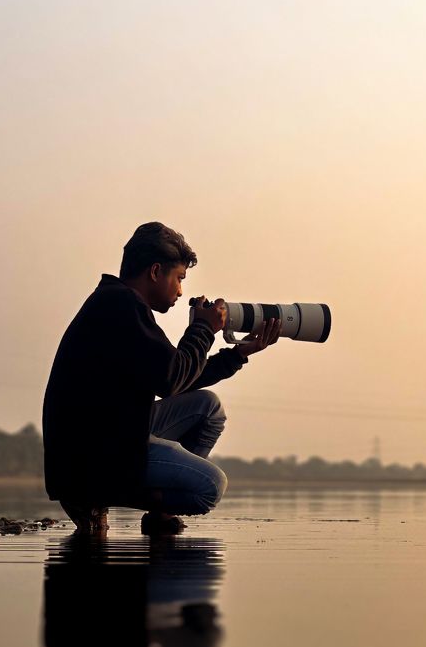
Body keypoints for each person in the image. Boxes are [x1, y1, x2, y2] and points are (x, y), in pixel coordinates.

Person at [42, 221, 280, 534]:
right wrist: (204, 328)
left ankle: (156, 515)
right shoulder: (121, 305)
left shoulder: (118, 302)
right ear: (155, 271)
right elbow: (171, 380)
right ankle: (94, 495)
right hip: (93, 455)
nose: (181, 291)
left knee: (207, 407)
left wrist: (238, 354)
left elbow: (176, 376)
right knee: (210, 486)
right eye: (179, 278)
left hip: (109, 437)